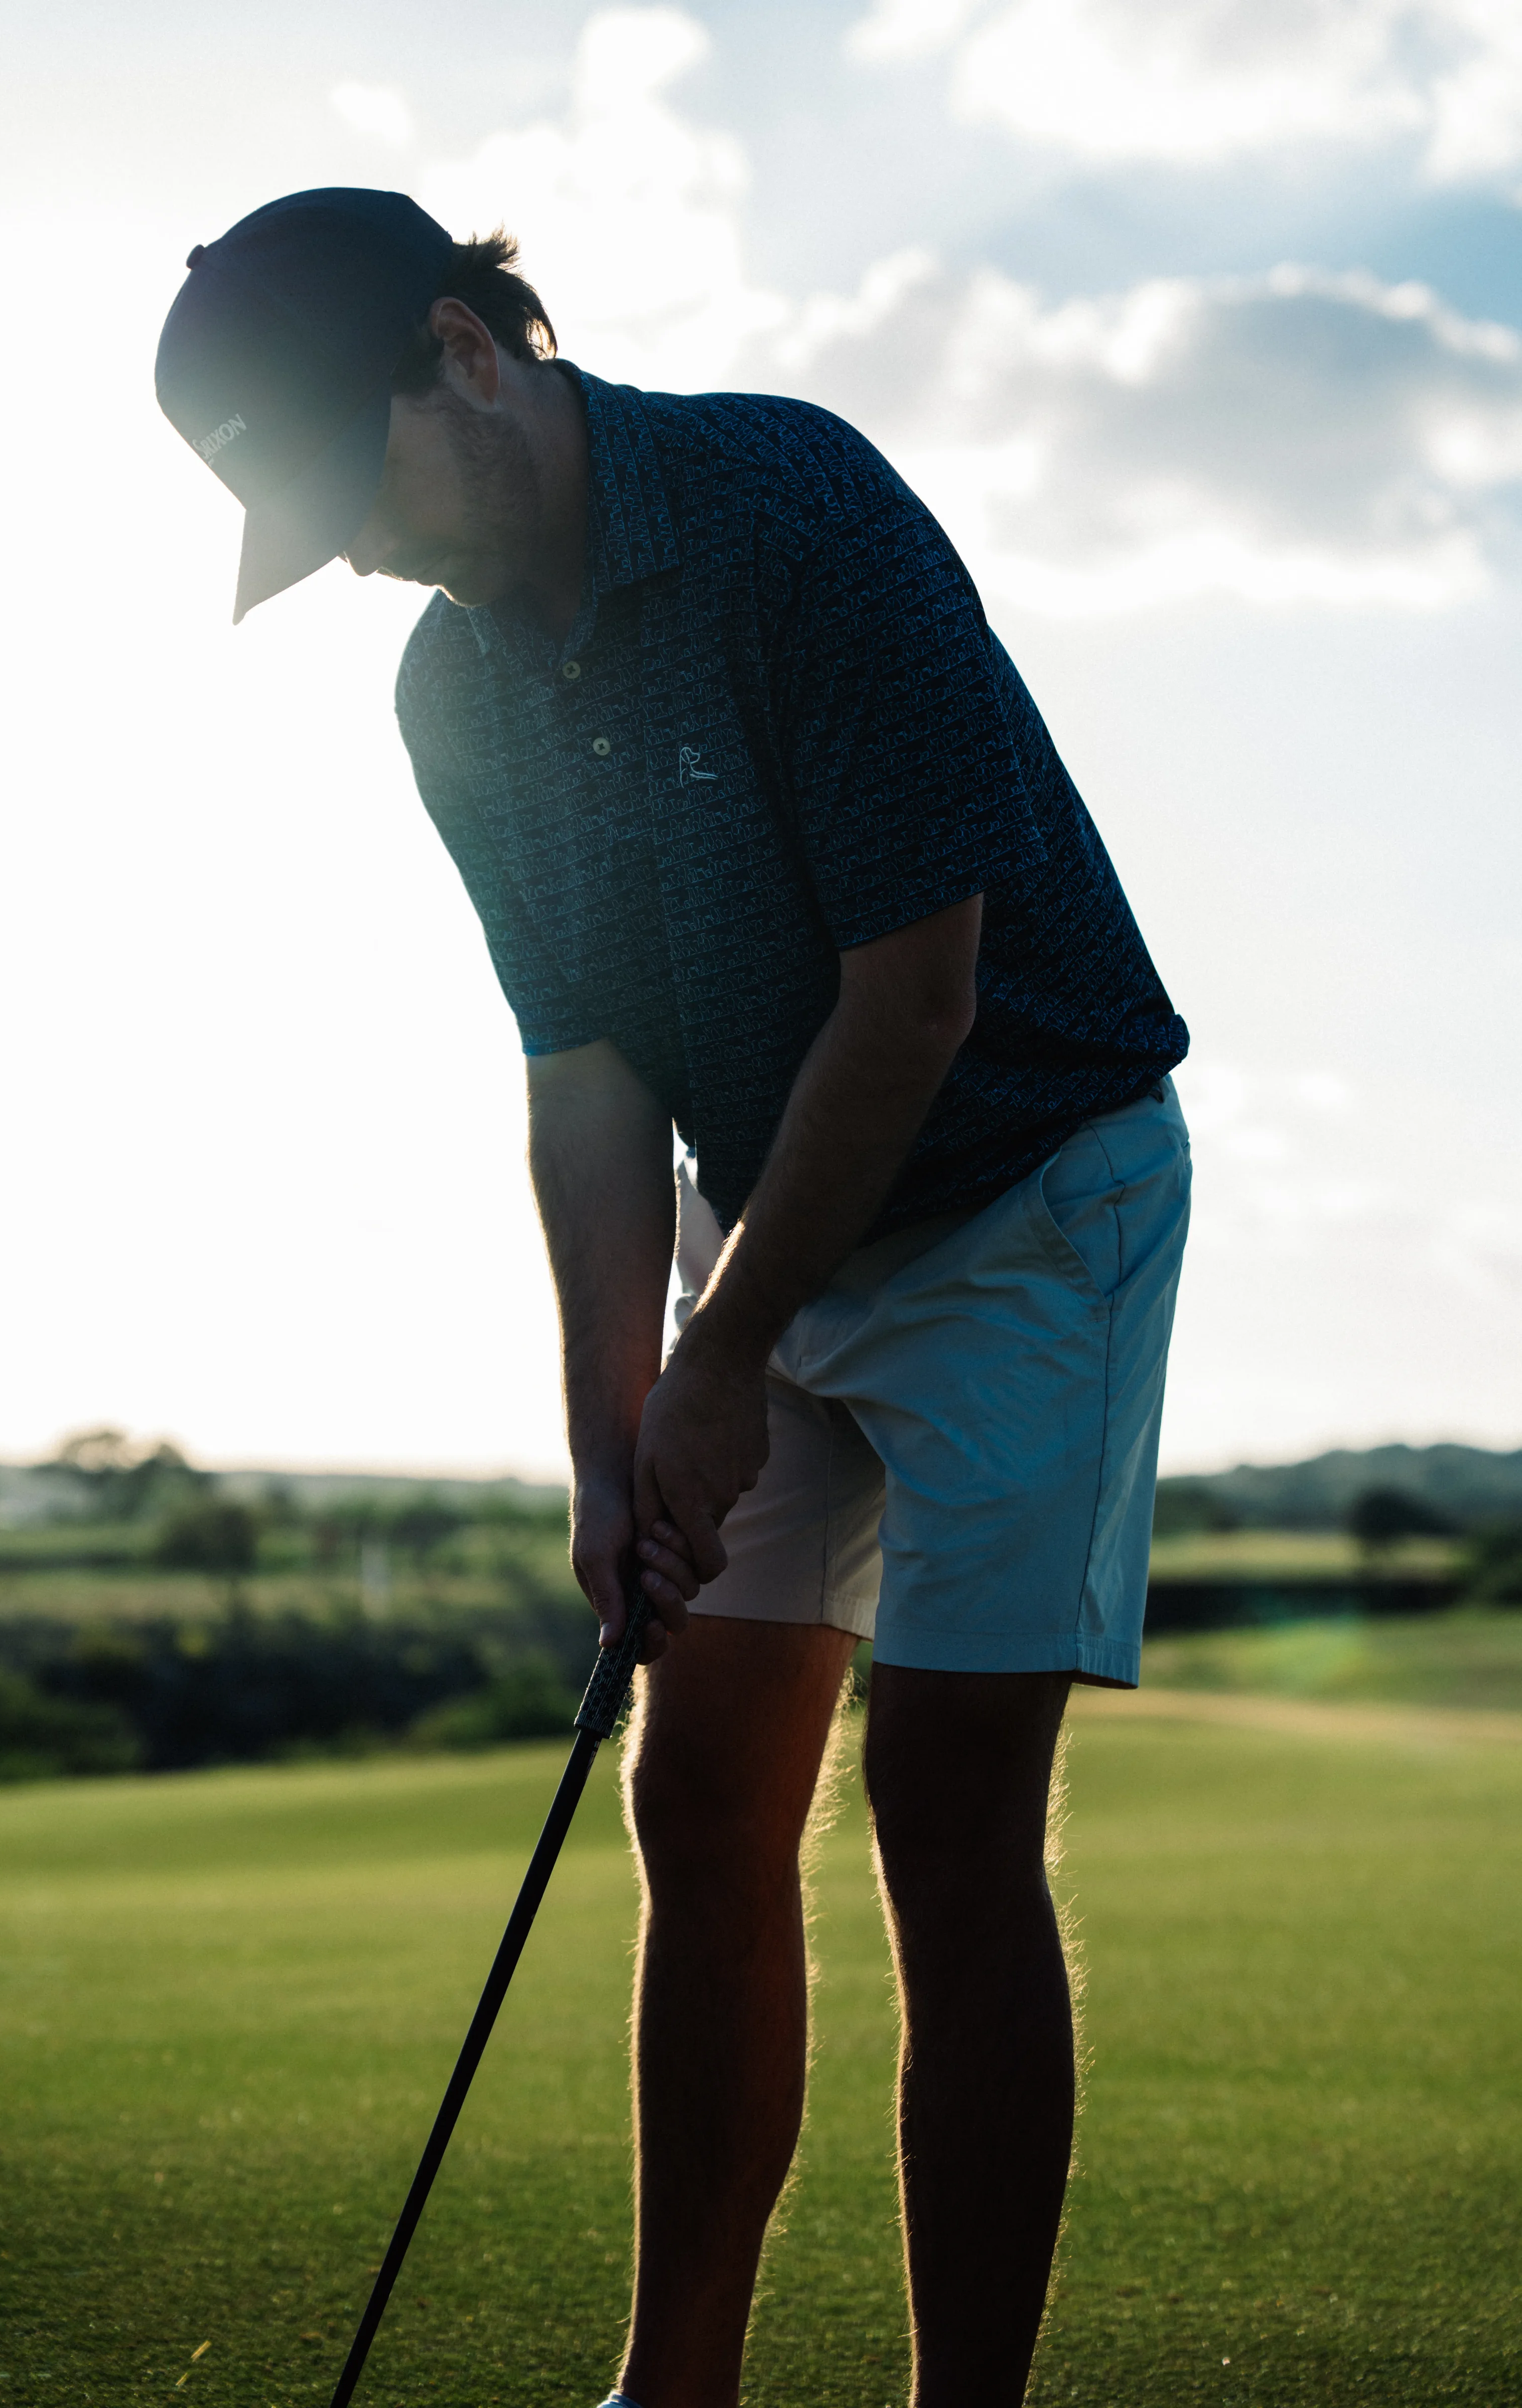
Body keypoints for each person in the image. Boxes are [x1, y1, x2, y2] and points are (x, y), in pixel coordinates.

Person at [157, 187, 1191, 2408]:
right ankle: (676, 2390)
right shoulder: (451, 694)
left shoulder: (788, 507)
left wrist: (717, 1367)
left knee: (935, 1800)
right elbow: (588, 1074)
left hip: (1031, 1191)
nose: (359, 557)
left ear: (463, 351)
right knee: (694, 1788)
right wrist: (611, 1429)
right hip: (781, 1207)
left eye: (356, 492)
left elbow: (913, 1002)